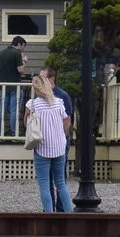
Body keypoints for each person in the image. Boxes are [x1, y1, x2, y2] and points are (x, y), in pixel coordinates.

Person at [26, 70, 73, 212]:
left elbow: (26, 121)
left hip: (42, 147)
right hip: (59, 147)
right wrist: (61, 135)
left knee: (44, 185)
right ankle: (69, 213)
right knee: (61, 183)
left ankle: (48, 214)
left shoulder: (33, 104)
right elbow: (66, 121)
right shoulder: (59, 102)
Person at [0, 35, 28, 141]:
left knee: (2, 110)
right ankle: (14, 134)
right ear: (18, 44)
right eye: (23, 46)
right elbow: (20, 70)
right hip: (15, 86)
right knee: (14, 110)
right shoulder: (17, 53)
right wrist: (24, 61)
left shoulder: (2, 53)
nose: (23, 48)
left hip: (3, 86)